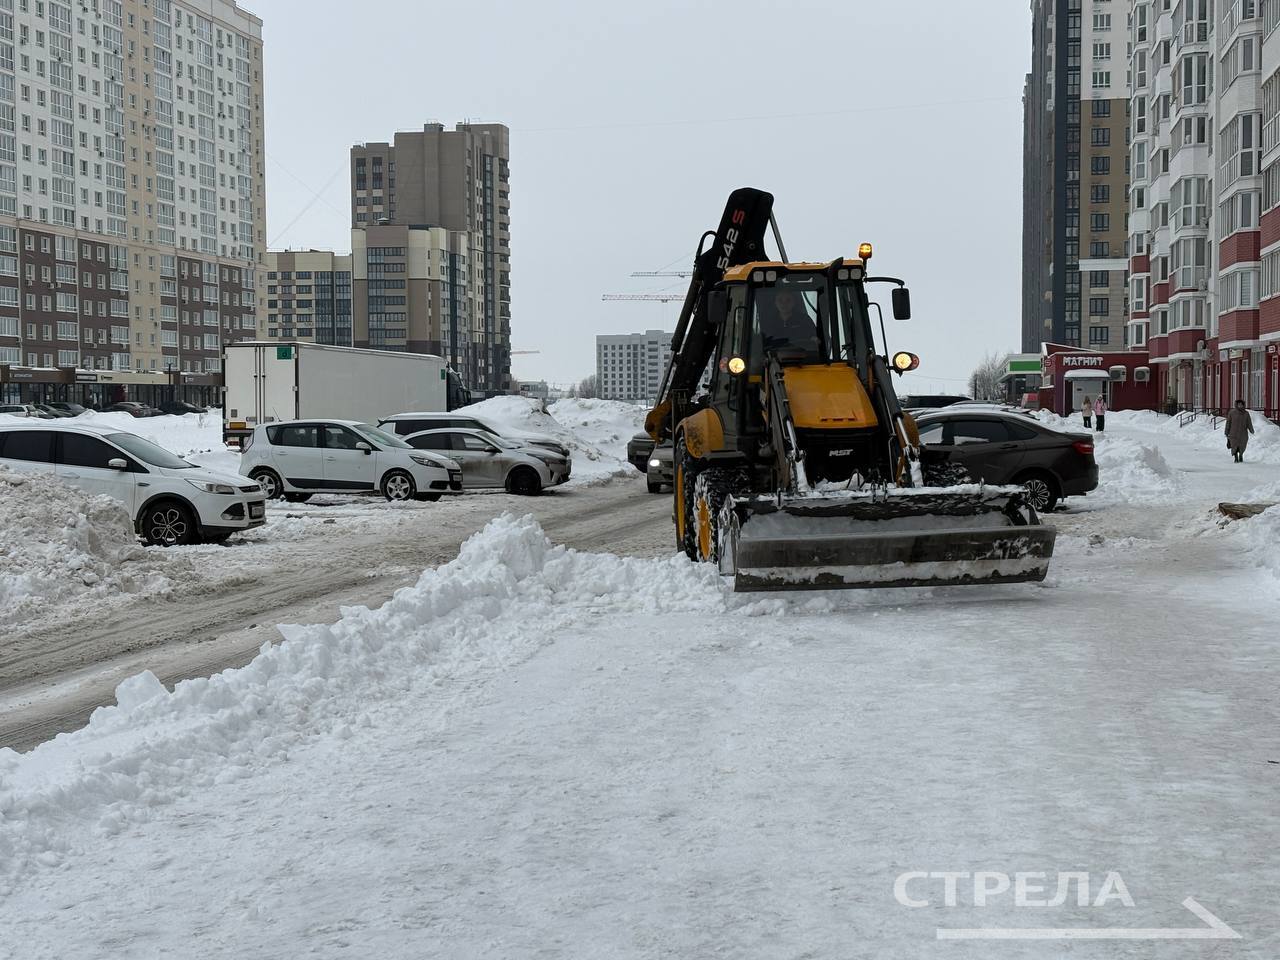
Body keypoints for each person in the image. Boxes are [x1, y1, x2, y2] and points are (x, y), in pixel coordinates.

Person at [760, 290, 820, 355]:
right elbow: (762, 345)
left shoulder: (805, 320)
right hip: (776, 362)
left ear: (794, 302)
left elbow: (816, 338)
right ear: (775, 303)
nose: (784, 304)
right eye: (780, 300)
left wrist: (815, 339)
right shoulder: (769, 322)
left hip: (804, 359)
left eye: (788, 300)